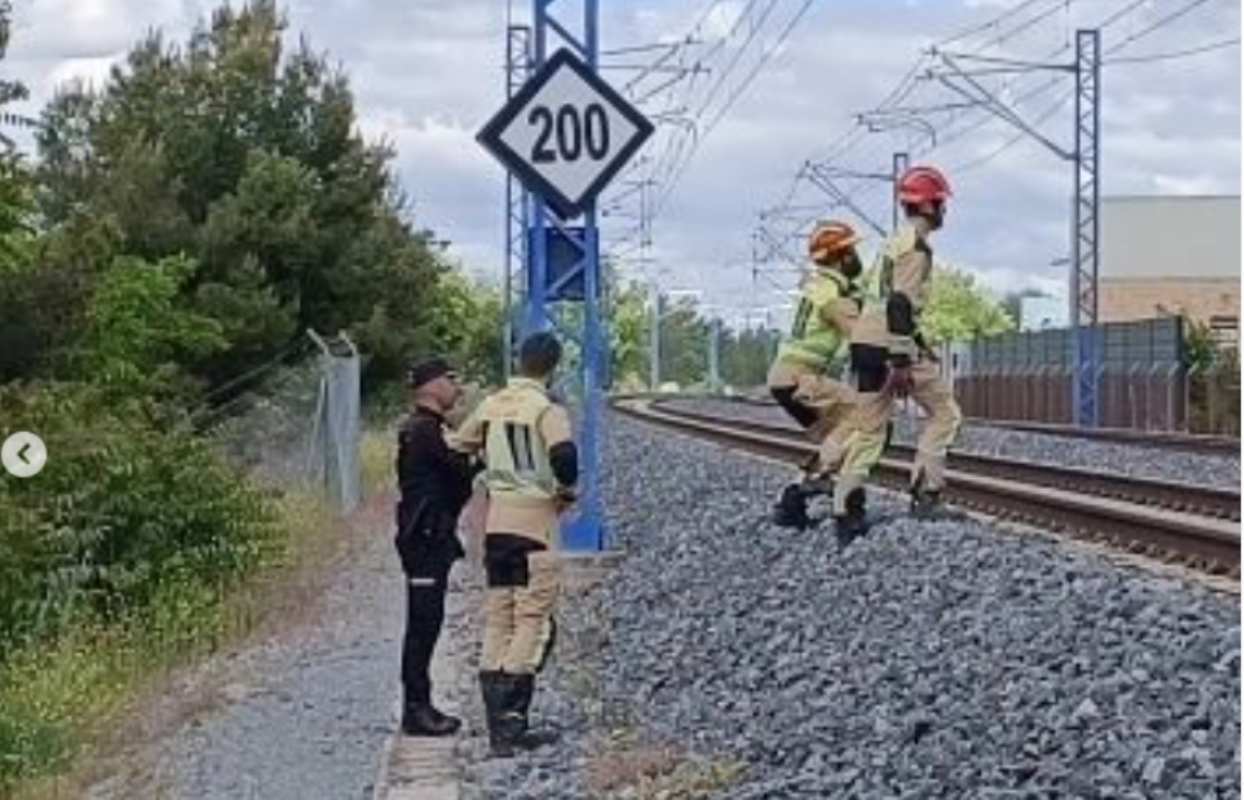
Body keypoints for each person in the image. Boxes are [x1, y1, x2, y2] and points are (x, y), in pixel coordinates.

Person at [450, 332, 578, 758]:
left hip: (498, 525)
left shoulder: (491, 404)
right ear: (553, 366)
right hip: (535, 523)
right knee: (532, 618)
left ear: (519, 361)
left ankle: (492, 723)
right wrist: (564, 491)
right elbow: (565, 458)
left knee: (498, 615)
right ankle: (512, 724)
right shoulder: (547, 409)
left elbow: (460, 445)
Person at [834, 165, 963, 546]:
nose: (944, 211)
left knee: (869, 430)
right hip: (890, 344)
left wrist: (918, 343)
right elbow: (899, 304)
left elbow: (885, 300)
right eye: (941, 204)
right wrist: (904, 361)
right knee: (945, 414)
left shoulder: (892, 242)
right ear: (929, 205)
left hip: (864, 343)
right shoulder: (917, 249)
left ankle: (846, 510)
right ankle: (927, 496)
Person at [394, 357, 478, 736]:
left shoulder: (429, 430)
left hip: (433, 536)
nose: (456, 389)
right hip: (424, 538)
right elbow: (457, 473)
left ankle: (420, 704)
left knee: (429, 622)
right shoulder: (426, 432)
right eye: (450, 380)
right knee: (423, 624)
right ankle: (416, 708)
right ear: (430, 385)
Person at [766, 220, 866, 529]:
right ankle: (812, 489)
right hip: (800, 377)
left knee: (839, 435)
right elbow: (862, 335)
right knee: (865, 419)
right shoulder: (831, 293)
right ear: (841, 255)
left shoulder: (821, 286)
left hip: (786, 378)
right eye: (851, 250)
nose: (855, 257)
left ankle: (798, 504)